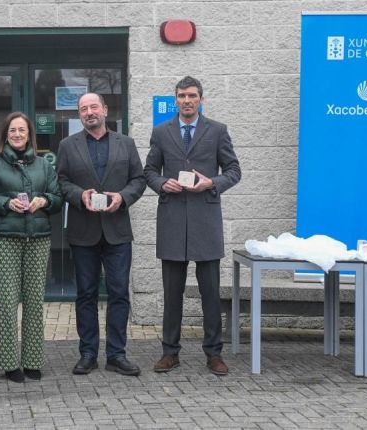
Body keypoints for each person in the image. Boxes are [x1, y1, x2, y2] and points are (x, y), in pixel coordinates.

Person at [144, 76, 241, 376]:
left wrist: (213, 182)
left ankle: (214, 354)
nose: (186, 100)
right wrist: (162, 183)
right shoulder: (161, 132)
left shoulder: (218, 131)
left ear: (201, 99)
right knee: (172, 293)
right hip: (172, 220)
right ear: (175, 100)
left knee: (210, 293)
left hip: (205, 221)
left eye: (192, 96)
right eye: (181, 96)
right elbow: (148, 171)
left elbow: (234, 170)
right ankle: (169, 353)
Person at [57, 93, 146, 376]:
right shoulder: (67, 146)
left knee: (119, 293)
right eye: (83, 109)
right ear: (79, 115)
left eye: (93, 107)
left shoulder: (126, 144)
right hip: (84, 231)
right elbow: (61, 181)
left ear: (105, 110)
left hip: (117, 231)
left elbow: (139, 180)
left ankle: (117, 355)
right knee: (86, 295)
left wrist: (122, 197)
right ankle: (88, 353)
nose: (89, 112)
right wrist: (78, 194)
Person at [0, 112, 63, 383]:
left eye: (22, 130)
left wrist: (44, 201)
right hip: (3, 240)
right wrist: (5, 203)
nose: (18, 135)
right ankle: (10, 363)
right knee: (7, 303)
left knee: (35, 302)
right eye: (13, 130)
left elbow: (58, 198)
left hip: (38, 238)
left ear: (29, 134)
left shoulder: (44, 166)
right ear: (5, 135)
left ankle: (33, 361)